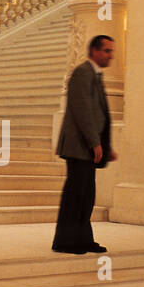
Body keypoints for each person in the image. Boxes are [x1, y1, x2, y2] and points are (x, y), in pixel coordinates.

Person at [52, 34, 117, 254]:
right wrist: (94, 142)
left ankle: (82, 239)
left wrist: (105, 146)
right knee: (76, 195)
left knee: (86, 196)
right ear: (95, 51)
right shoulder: (82, 73)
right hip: (79, 147)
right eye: (107, 51)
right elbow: (83, 111)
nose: (111, 55)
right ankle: (66, 242)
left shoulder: (94, 75)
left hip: (87, 147)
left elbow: (97, 114)